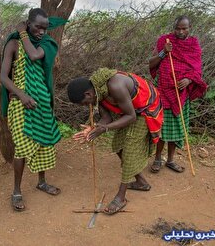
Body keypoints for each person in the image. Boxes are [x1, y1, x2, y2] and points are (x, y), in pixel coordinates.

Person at [67, 68, 163, 214]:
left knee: (130, 150)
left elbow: (131, 117)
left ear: (88, 94)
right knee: (118, 145)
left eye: (84, 103)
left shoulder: (115, 86)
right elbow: (107, 119)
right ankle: (141, 182)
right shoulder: (97, 93)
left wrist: (104, 129)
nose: (87, 106)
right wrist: (94, 128)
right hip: (133, 111)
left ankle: (121, 197)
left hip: (146, 108)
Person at [0, 8, 66, 211]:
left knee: (44, 143)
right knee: (21, 146)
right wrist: (21, 94)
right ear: (28, 23)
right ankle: (17, 191)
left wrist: (22, 33)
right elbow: (3, 77)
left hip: (42, 102)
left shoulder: (47, 44)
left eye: (45, 28)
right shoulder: (12, 44)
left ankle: (42, 182)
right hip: (21, 104)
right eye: (37, 27)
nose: (41, 32)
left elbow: (34, 55)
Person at [148, 15, 207, 174]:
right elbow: (151, 63)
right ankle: (158, 159)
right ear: (174, 28)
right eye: (178, 28)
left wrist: (188, 80)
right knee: (161, 128)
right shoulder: (165, 41)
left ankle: (171, 160)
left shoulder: (193, 44)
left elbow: (197, 70)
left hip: (181, 95)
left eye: (184, 28)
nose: (181, 31)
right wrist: (163, 53)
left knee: (176, 128)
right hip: (163, 93)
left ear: (189, 28)